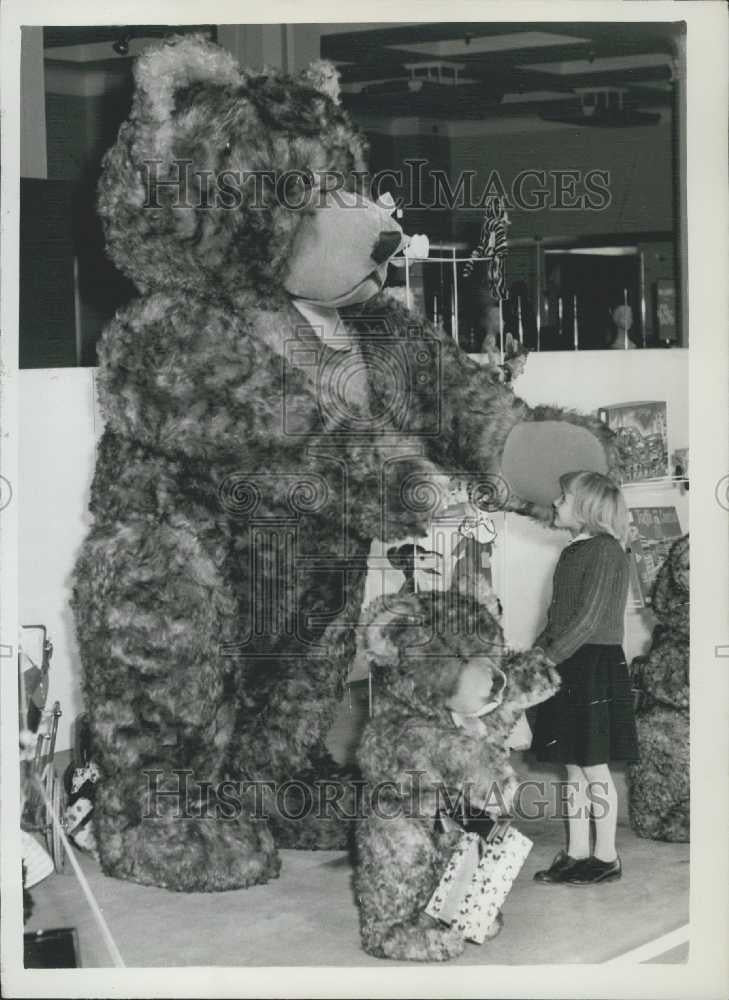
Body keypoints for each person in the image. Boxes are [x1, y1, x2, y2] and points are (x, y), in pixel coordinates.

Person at [531, 471, 639, 885]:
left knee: (594, 769)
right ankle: (577, 852)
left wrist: (547, 659)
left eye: (564, 496)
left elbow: (588, 621)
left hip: (592, 665)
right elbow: (557, 619)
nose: (557, 502)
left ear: (588, 508)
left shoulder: (607, 550)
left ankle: (606, 856)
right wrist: (535, 657)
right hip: (568, 663)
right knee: (572, 768)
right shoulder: (573, 550)